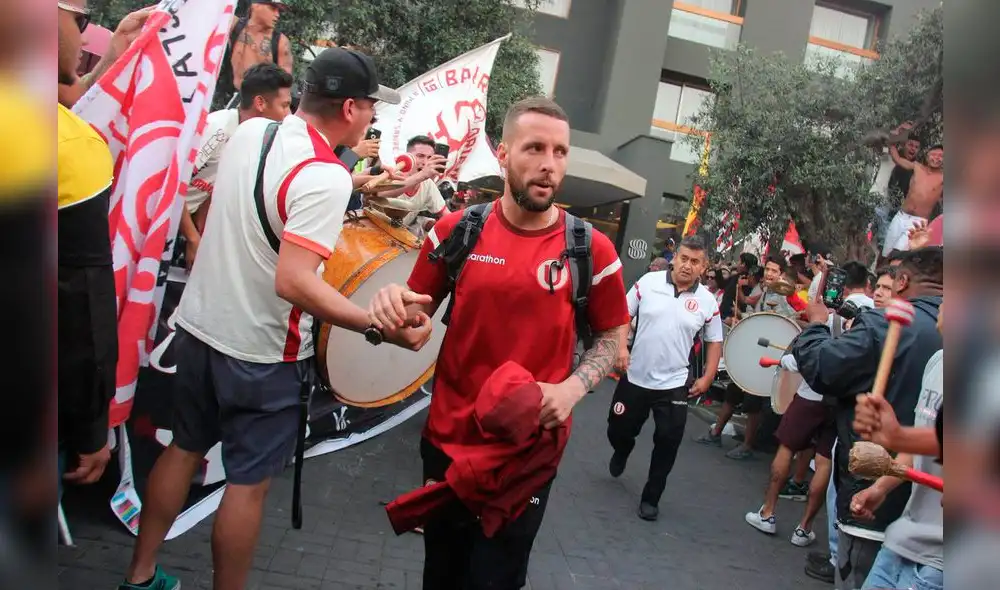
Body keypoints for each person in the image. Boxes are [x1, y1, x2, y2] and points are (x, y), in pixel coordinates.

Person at [116, 48, 418, 590]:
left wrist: (360, 183)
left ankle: (138, 577)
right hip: (263, 356)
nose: (374, 117)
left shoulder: (254, 133)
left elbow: (273, 197)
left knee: (183, 450)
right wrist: (372, 324)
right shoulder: (323, 176)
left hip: (200, 330)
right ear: (349, 107)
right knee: (247, 485)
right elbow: (295, 280)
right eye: (372, 106)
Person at [368, 96, 630, 590]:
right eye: (535, 148)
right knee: (442, 576)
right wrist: (387, 309)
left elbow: (614, 335)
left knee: (498, 580)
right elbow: (413, 321)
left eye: (560, 152)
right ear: (504, 154)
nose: (549, 165)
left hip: (526, 456)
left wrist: (572, 390)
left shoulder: (590, 249)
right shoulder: (457, 231)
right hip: (447, 445)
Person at [792, 247, 943, 590]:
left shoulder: (887, 324)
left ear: (902, 282)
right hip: (903, 512)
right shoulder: (945, 356)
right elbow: (934, 436)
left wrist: (816, 327)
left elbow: (825, 368)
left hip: (890, 517)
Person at [57, 0, 150, 492]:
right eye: (79, 19)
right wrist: (92, 429)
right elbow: (81, 313)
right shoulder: (67, 148)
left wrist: (113, 57)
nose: (82, 31)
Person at [745, 261, 874, 546]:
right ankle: (803, 528)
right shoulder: (876, 317)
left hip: (812, 393)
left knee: (787, 448)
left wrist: (782, 360)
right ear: (868, 285)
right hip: (842, 402)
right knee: (824, 461)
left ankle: (768, 513)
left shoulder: (828, 314)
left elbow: (802, 357)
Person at [608, 236, 723, 521]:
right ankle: (623, 449)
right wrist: (621, 348)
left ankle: (651, 498)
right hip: (635, 376)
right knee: (618, 429)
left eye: (695, 262)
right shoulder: (648, 283)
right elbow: (623, 315)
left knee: (668, 442)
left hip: (673, 385)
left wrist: (708, 376)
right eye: (683, 258)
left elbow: (715, 341)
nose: (687, 265)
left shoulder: (707, 301)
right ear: (675, 258)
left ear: (703, 267)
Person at [851, 301, 944, 590]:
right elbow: (922, 441)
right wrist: (881, 487)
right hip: (904, 542)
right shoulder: (939, 361)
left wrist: (896, 436)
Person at [181, 63, 294, 269]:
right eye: (284, 106)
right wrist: (192, 239)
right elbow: (174, 186)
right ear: (260, 103)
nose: (288, 115)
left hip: (183, 224)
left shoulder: (254, 138)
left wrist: (201, 235)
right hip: (160, 223)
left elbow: (210, 189)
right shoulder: (217, 129)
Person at [697, 256, 795, 460]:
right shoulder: (764, 291)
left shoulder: (784, 294)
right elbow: (754, 315)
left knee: (753, 403)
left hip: (766, 357)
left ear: (781, 275)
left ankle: (747, 445)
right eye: (767, 269)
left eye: (774, 271)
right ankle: (716, 433)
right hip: (752, 351)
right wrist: (740, 317)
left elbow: (786, 323)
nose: (769, 273)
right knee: (733, 393)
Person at [214, 0, 294, 109]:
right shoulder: (233, 25)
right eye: (273, 8)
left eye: (279, 10)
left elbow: (284, 88)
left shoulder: (280, 42)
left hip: (258, 107)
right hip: (224, 99)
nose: (277, 15)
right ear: (255, 5)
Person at [883, 126, 943, 258]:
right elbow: (896, 157)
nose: (937, 158)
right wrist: (897, 134)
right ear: (927, 154)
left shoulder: (943, 178)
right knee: (886, 254)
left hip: (917, 223)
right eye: (934, 154)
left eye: (941, 156)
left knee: (897, 255)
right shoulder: (917, 167)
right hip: (900, 216)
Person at [375, 135, 450, 239]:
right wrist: (422, 175)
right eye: (420, 156)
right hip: (370, 233)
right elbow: (380, 194)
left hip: (396, 242)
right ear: (408, 156)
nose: (425, 162)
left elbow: (446, 215)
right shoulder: (390, 173)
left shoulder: (427, 183)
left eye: (429, 158)